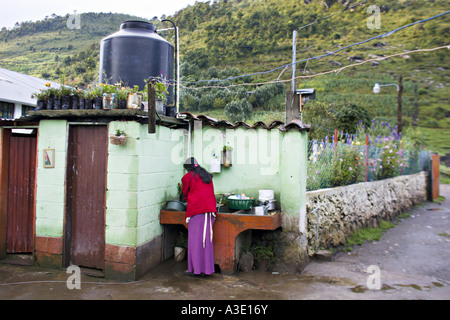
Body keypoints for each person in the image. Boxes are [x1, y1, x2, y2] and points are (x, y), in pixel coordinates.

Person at [181, 157, 217, 276]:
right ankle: (206, 270)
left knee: (195, 242)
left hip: (197, 212)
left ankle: (195, 270)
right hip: (209, 212)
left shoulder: (188, 177)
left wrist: (188, 200)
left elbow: (185, 194)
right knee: (207, 241)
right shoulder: (207, 175)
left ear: (187, 168)